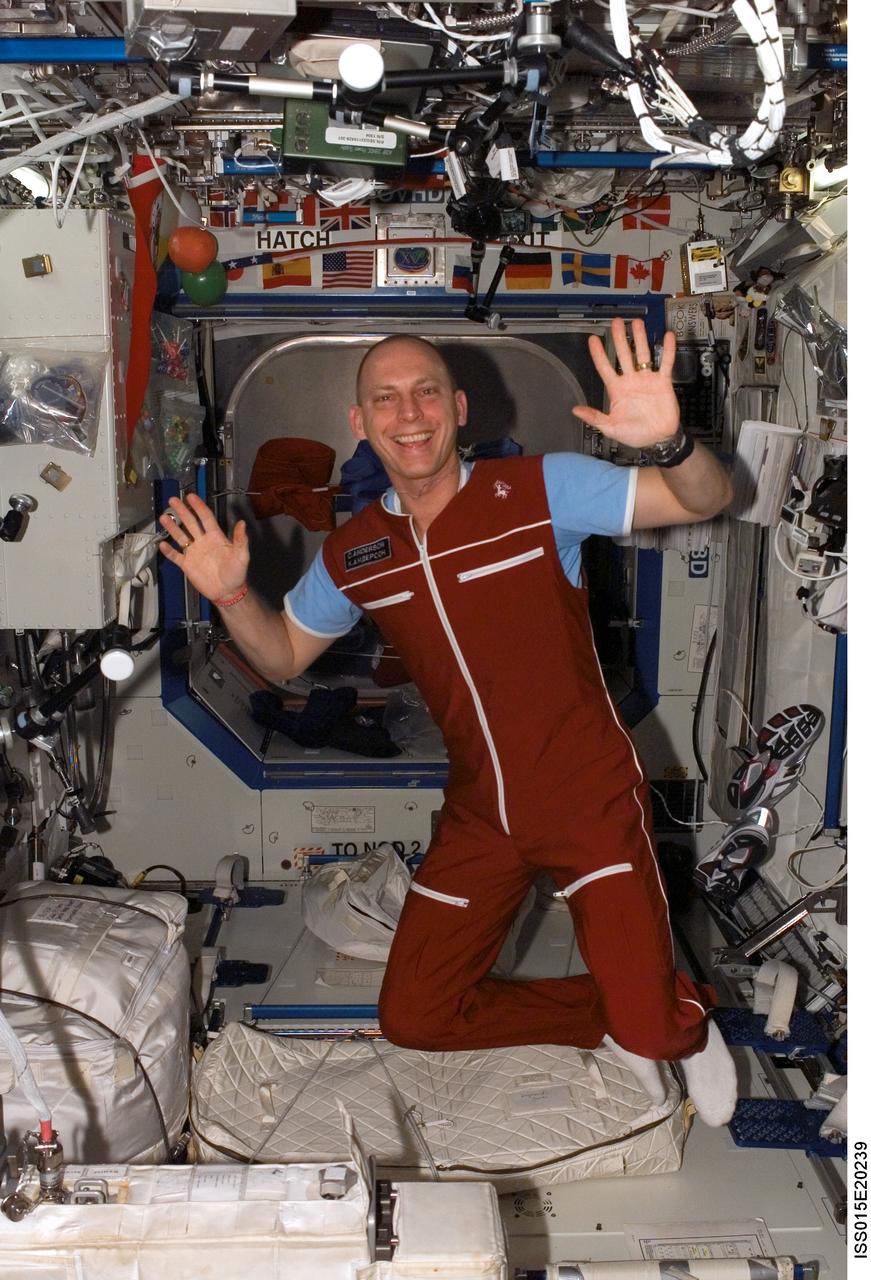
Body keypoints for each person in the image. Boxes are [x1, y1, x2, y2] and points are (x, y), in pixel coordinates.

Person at [160, 319, 737, 1125]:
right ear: (359, 423)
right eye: (385, 398)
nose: (410, 412)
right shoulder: (356, 551)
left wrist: (670, 448)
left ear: (459, 407)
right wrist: (227, 596)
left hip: (587, 800)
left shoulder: (544, 490)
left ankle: (662, 1017)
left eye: (426, 391)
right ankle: (636, 1006)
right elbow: (284, 655)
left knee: (653, 1033)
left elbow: (706, 497)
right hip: (480, 817)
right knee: (417, 1018)